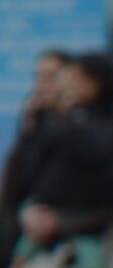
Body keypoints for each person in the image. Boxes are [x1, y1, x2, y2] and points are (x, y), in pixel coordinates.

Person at [13, 54, 113, 268]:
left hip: (86, 240)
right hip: (42, 236)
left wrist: (59, 222)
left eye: (59, 78)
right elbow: (25, 179)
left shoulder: (92, 126)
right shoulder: (51, 122)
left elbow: (102, 195)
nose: (61, 86)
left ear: (94, 83)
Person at [0, 53, 77, 265]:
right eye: (38, 77)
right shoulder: (36, 127)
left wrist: (56, 222)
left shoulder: (83, 130)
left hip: (71, 242)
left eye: (50, 77)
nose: (42, 85)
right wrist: (26, 133)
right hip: (31, 240)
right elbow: (11, 193)